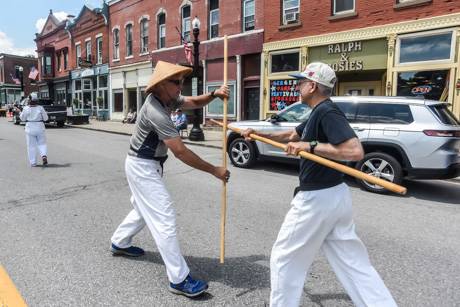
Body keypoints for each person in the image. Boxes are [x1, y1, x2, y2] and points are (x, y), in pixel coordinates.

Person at [242, 62, 397, 307]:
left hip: (316, 199)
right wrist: (258, 134)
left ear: (312, 86)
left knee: (284, 258)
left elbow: (355, 151)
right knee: (353, 263)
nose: (297, 86)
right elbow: (293, 135)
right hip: (336, 196)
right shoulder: (316, 112)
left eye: (301, 82)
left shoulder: (327, 112)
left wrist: (310, 146)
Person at [110, 61, 230, 298]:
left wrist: (215, 94)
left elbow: (194, 102)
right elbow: (181, 151)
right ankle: (179, 278)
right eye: (176, 82)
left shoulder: (167, 100)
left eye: (181, 81)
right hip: (142, 167)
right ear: (161, 85)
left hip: (146, 165)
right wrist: (214, 170)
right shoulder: (155, 110)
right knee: (163, 217)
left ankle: (119, 241)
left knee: (144, 209)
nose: (180, 86)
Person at [19, 93, 49, 167]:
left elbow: (22, 119)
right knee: (42, 143)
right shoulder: (40, 108)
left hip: (30, 128)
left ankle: (33, 162)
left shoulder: (26, 108)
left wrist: (20, 112)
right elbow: (46, 118)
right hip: (40, 127)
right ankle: (44, 155)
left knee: (31, 146)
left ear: (29, 100)